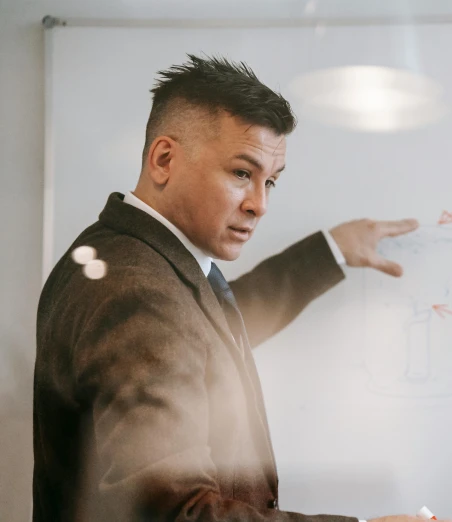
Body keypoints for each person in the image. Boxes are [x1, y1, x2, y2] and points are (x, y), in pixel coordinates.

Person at [33, 55, 426, 522]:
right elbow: (175, 513)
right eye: (242, 173)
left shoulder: (137, 257)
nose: (259, 205)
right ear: (164, 159)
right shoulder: (138, 293)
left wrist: (331, 250)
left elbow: (211, 331)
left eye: (271, 182)